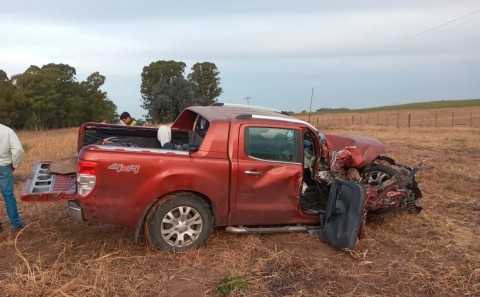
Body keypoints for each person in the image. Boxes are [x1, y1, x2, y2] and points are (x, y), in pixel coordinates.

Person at [0, 123, 24, 232]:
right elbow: (18, 150)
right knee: (8, 195)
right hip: (4, 167)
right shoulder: (7, 130)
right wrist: (15, 165)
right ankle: (15, 223)